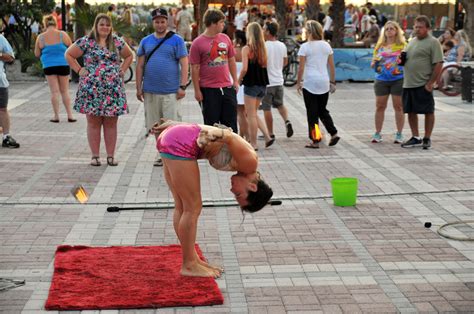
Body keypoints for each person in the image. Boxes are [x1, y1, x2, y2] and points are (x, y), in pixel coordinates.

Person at [153, 120, 273, 277]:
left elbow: (204, 130)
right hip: (179, 142)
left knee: (182, 206)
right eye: (238, 194)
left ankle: (192, 259)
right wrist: (216, 134)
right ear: (252, 187)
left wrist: (174, 125)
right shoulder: (250, 163)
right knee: (193, 207)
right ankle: (189, 264)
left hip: (173, 138)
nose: (232, 190)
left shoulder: (245, 167)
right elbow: (229, 136)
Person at [65, 13, 133, 166]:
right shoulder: (86, 42)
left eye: (108, 25)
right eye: (102, 24)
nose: (105, 27)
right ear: (96, 26)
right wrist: (79, 69)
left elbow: (129, 56)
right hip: (91, 89)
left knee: (111, 123)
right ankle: (95, 156)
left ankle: (110, 156)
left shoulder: (116, 41)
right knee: (93, 123)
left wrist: (122, 69)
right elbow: (69, 54)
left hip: (112, 89)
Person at [136, 8, 188, 167]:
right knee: (155, 125)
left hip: (170, 91)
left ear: (167, 22)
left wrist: (182, 86)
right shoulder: (146, 41)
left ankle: (171, 154)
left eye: (163, 21)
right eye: (157, 21)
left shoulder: (177, 40)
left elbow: (184, 63)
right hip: (150, 90)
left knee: (171, 125)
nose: (160, 24)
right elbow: (139, 66)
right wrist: (139, 87)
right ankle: (162, 153)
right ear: (153, 23)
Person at [189, 9, 239, 132]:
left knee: (231, 125)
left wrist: (235, 81)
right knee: (211, 126)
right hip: (208, 90)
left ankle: (231, 150)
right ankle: (214, 151)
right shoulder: (197, 43)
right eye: (222, 22)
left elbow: (231, 60)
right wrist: (197, 90)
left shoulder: (225, 38)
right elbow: (194, 68)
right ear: (213, 23)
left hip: (227, 88)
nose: (224, 25)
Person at [401, 15, 443, 150]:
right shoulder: (411, 41)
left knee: (428, 111)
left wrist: (431, 82)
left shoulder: (433, 42)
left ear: (428, 28)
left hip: (423, 83)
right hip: (408, 83)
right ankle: (415, 137)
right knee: (410, 111)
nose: (417, 29)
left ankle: (427, 137)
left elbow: (438, 63)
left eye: (420, 27)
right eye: (416, 27)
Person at [296, 20, 339, 149]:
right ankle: (333, 132)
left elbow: (301, 68)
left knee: (312, 113)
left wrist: (298, 82)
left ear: (309, 32)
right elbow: (331, 66)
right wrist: (332, 81)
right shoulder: (326, 46)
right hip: (324, 82)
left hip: (310, 83)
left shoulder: (305, 47)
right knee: (322, 110)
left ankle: (315, 139)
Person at [237, 22, 273, 151]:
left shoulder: (247, 49)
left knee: (250, 115)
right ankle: (267, 137)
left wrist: (237, 80)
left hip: (251, 85)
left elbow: (244, 69)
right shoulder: (263, 48)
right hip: (262, 85)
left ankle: (253, 143)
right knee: (253, 113)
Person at [35, 15, 76, 123]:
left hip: (49, 66)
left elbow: (37, 54)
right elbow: (71, 48)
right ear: (55, 23)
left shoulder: (41, 37)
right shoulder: (63, 35)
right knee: (65, 91)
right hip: (63, 64)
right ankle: (70, 115)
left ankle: (56, 116)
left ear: (45, 24)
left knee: (54, 92)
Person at [370, 21, 406, 144]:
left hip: (398, 79)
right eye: (387, 29)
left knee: (398, 106)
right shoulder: (380, 46)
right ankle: (377, 133)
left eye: (392, 28)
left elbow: (406, 61)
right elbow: (374, 61)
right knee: (380, 106)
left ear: (397, 31)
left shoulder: (403, 45)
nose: (389, 31)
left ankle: (399, 134)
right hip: (381, 80)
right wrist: (374, 63)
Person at [262, 21, 293, 140]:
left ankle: (270, 133)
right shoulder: (282, 45)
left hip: (268, 83)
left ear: (269, 32)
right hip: (279, 81)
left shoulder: (264, 46)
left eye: (264, 29)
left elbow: (262, 64)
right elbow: (285, 62)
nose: (263, 32)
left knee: (266, 108)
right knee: (280, 104)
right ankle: (287, 121)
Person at [0, 34, 20, 148]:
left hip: (0, 81)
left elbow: (10, 57)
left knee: (2, 109)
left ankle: (6, 136)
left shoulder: (0, 38)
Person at [234, 30, 249, 140]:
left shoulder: (234, 51)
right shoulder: (247, 50)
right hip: (246, 83)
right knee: (245, 113)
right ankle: (242, 135)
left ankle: (246, 137)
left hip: (237, 82)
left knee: (240, 113)